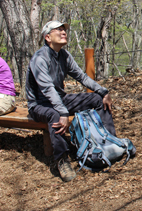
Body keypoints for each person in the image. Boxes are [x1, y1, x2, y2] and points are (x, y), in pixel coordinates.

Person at [26, 21, 116, 182]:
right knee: (55, 114)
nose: (63, 33)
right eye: (58, 30)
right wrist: (62, 111)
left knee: (96, 99)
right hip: (39, 105)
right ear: (48, 37)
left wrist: (103, 91)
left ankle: (109, 142)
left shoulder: (64, 56)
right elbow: (47, 89)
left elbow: (81, 77)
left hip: (60, 100)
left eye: (64, 30)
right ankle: (62, 159)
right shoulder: (39, 58)